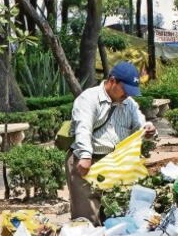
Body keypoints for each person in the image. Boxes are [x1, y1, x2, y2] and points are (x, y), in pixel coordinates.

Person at [66, 61, 156, 224]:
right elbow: (83, 128)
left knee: (116, 215)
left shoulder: (129, 104)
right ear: (112, 81)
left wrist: (148, 129)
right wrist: (85, 156)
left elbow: (140, 125)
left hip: (115, 164)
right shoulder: (88, 99)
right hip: (88, 163)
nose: (127, 95)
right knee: (87, 217)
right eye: (125, 90)